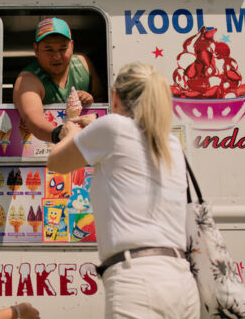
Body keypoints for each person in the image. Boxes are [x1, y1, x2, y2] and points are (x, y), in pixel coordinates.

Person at [46, 62, 199, 319]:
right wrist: (96, 124)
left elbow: (57, 162)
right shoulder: (169, 142)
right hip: (182, 280)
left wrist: (70, 132)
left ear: (115, 96)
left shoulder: (112, 128)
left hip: (139, 281)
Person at [13, 17, 104, 143]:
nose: (56, 56)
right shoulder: (28, 79)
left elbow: (104, 101)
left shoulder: (84, 64)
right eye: (49, 50)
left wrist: (91, 100)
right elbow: (32, 119)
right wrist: (60, 135)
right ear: (36, 49)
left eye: (62, 49)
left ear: (72, 46)